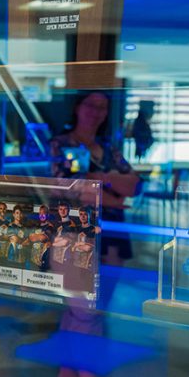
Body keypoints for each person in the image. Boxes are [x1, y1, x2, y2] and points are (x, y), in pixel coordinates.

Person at [50, 92, 139, 266]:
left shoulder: (109, 149)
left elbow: (135, 185)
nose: (95, 111)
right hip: (74, 230)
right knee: (76, 282)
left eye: (102, 107)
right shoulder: (59, 144)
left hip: (112, 229)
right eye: (90, 105)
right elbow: (68, 188)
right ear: (77, 107)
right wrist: (114, 196)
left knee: (109, 281)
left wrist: (97, 178)